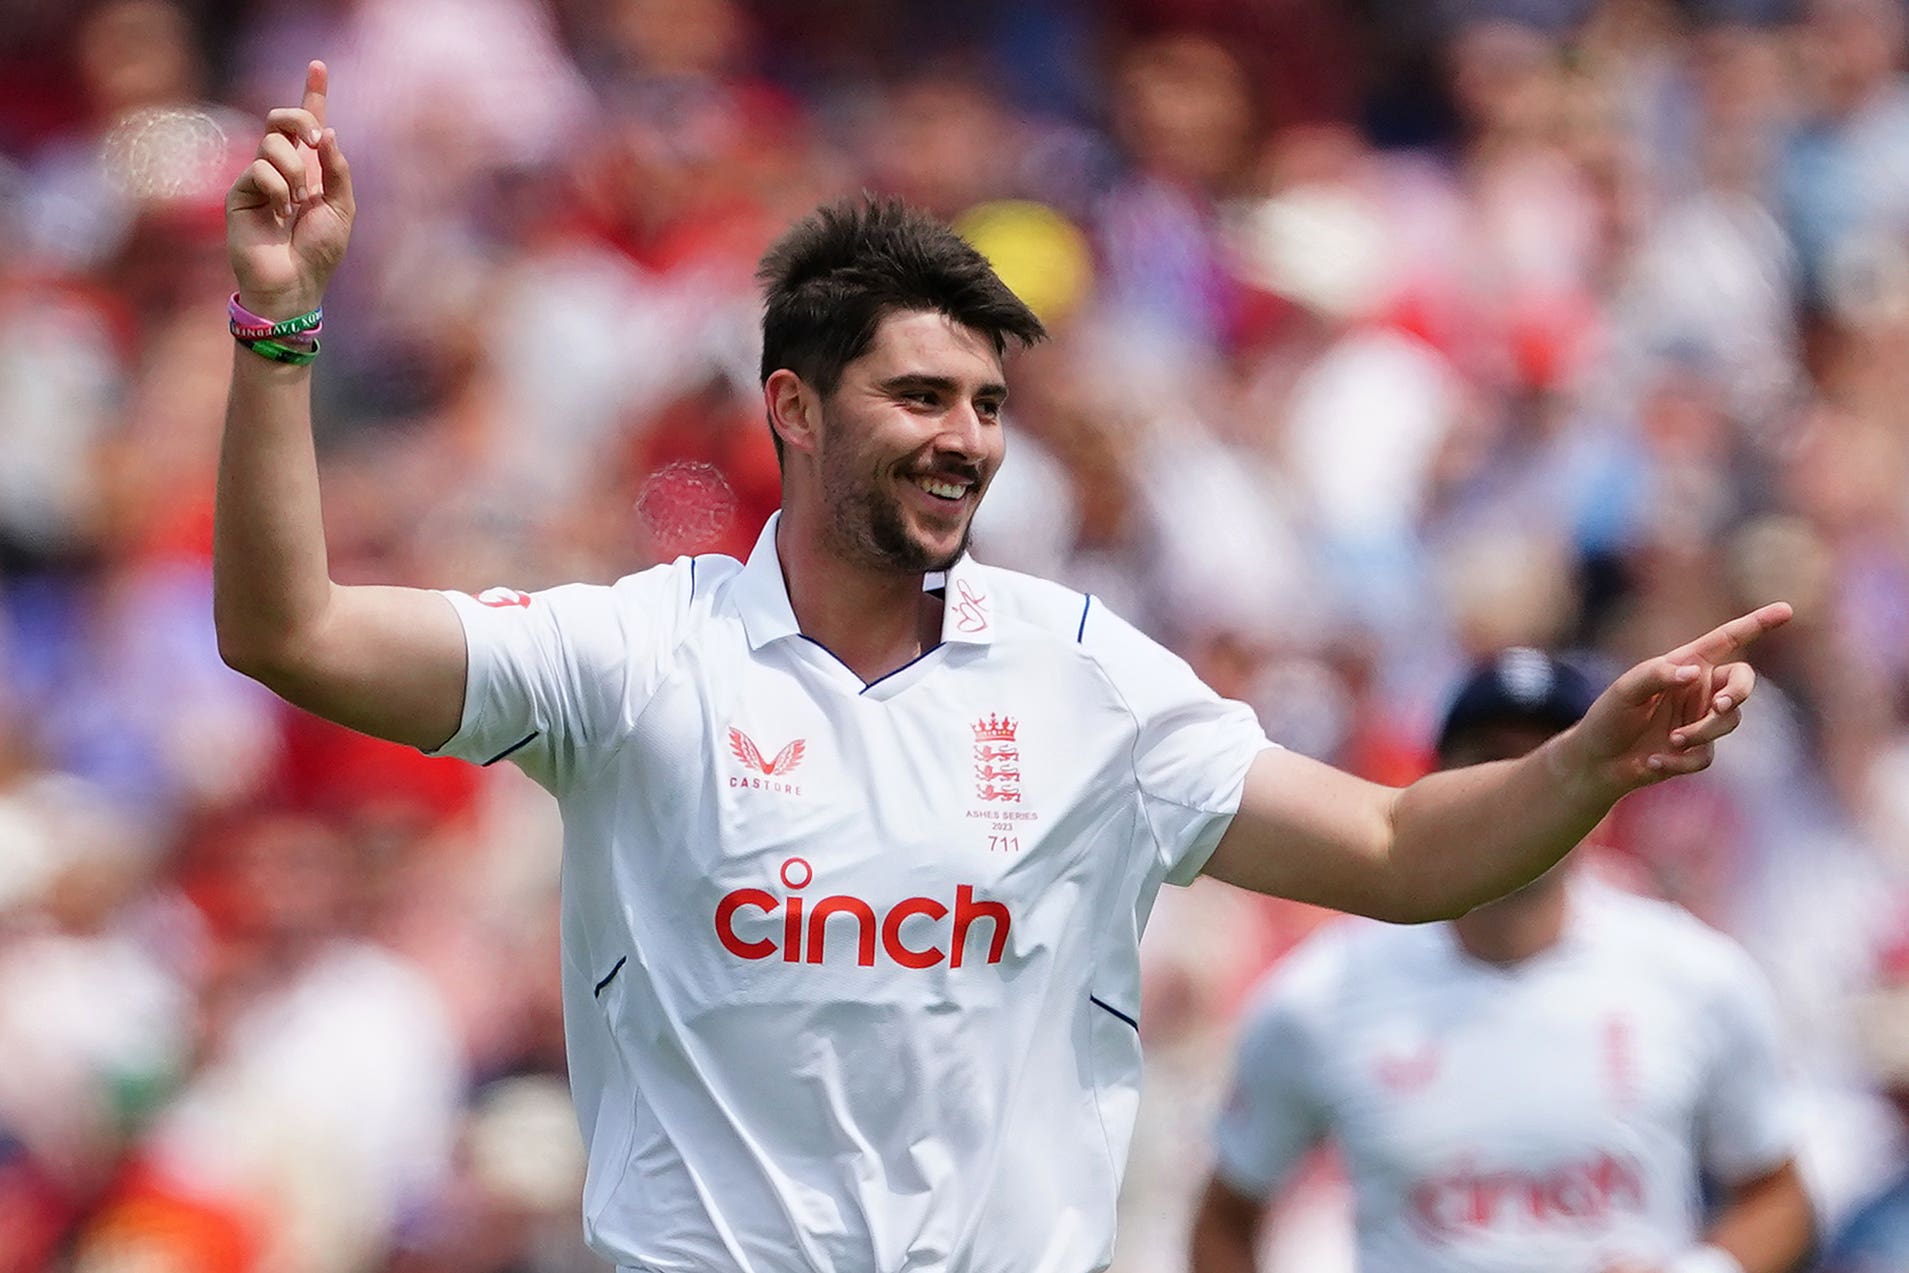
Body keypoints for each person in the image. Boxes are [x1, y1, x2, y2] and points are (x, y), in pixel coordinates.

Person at [214, 62, 1792, 1273]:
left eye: (985, 403)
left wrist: (1589, 760)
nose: (965, 438)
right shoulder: (635, 652)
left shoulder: (1082, 672)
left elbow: (1392, 849)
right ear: (795, 407)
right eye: (919, 395)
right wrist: (278, 328)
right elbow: (290, 632)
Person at [1189, 648, 1815, 1273]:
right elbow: (1227, 1216)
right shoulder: (1323, 993)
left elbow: (1777, 1194)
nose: (1525, 793)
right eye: (1491, 762)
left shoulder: (1695, 976)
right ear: (1434, 790)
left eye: (1553, 762)